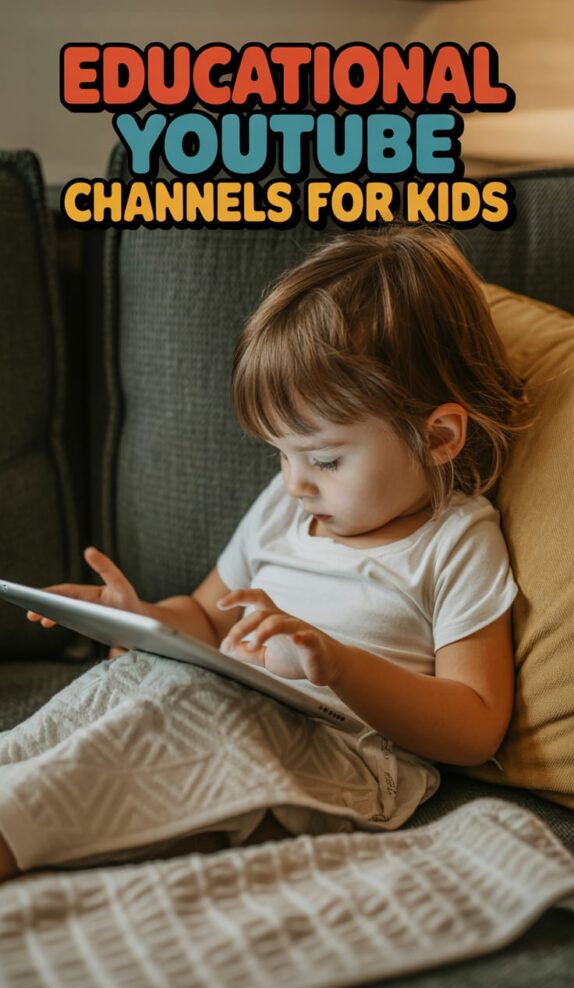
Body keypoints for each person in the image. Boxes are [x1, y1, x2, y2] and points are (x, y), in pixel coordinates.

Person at [0, 225, 532, 883]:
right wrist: (136, 619)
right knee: (117, 693)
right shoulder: (288, 507)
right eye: (279, 453)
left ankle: (22, 833)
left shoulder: (456, 542)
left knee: (160, 733)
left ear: (439, 437)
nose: (294, 480)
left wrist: (336, 665)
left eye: (325, 459)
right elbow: (204, 616)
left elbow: (476, 726)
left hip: (342, 752)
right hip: (216, 703)